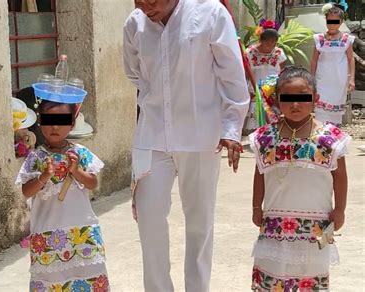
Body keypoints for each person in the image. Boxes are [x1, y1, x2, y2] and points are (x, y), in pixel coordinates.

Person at [123, 0, 250, 291]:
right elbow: (134, 73)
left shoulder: (211, 14)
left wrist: (231, 128)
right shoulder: (134, 24)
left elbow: (231, 74)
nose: (145, 6)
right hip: (152, 135)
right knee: (149, 217)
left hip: (201, 135)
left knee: (199, 222)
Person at [249, 66, 350, 291]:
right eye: (288, 98)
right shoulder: (265, 137)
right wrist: (257, 205)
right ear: (277, 100)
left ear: (315, 98)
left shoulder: (330, 138)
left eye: (303, 98)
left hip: (315, 224)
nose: (295, 105)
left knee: (310, 276)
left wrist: (340, 209)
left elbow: (340, 175)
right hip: (275, 221)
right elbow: (260, 172)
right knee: (272, 274)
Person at [15, 100, 109, 291]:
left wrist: (76, 170)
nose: (55, 126)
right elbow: (26, 191)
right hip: (48, 235)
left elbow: (92, 183)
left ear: (72, 124)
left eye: (61, 120)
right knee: (52, 280)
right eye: (49, 120)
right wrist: (44, 176)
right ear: (40, 122)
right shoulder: (35, 158)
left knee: (87, 278)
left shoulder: (80, 153)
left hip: (82, 234)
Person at [311, 3, 355, 125]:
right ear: (326, 20)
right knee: (320, 109)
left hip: (339, 81)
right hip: (322, 80)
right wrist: (312, 77)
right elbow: (314, 60)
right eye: (329, 21)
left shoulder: (347, 39)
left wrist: (351, 79)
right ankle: (320, 136)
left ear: (341, 22)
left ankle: (333, 136)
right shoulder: (318, 38)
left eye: (336, 22)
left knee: (335, 112)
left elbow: (351, 59)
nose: (332, 24)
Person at [245, 19, 287, 131]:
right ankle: (259, 138)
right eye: (268, 42)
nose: (271, 45)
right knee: (258, 114)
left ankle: (272, 138)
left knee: (273, 116)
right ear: (260, 40)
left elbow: (282, 71)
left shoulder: (279, 52)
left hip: (273, 89)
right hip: (256, 88)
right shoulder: (250, 52)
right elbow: (246, 72)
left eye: (274, 42)